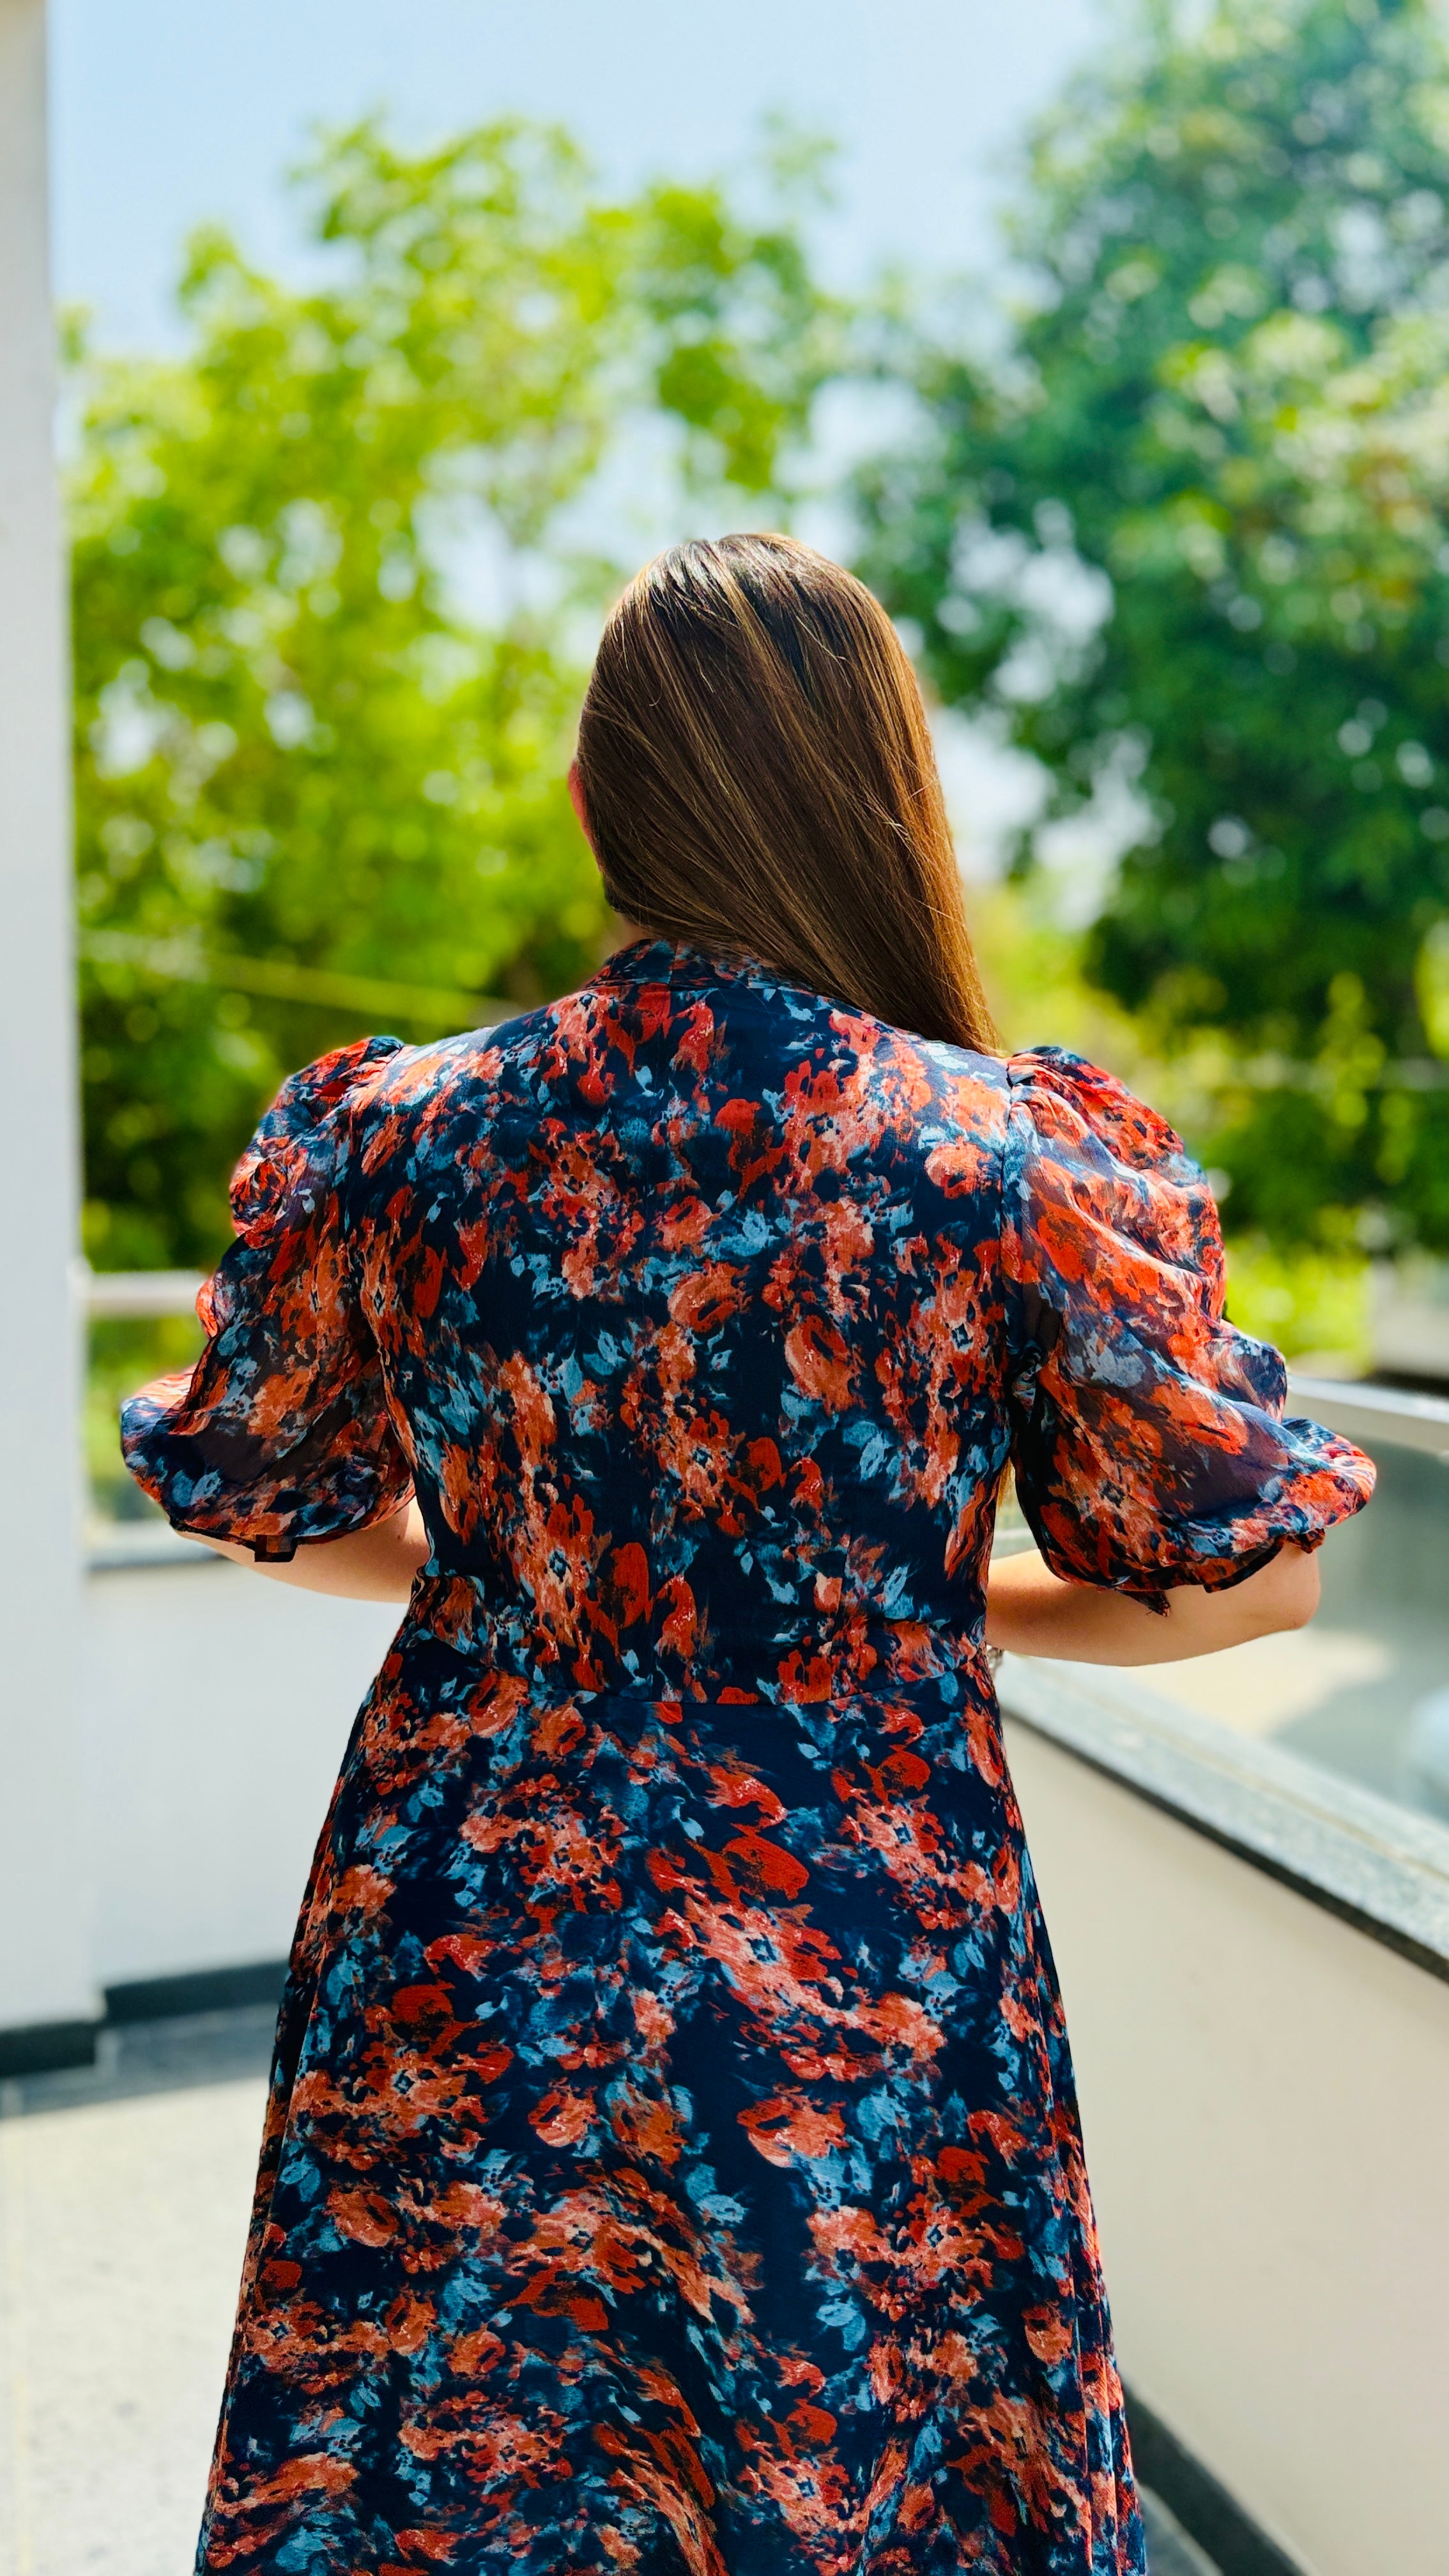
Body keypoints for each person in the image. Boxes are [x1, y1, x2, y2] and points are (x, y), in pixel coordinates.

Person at [122, 535, 1373, 2576]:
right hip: (860, 1967)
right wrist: (857, 1589)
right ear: (876, 787)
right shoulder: (996, 1156)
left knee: (456, 2480)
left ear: (593, 799)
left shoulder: (396, 1140)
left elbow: (276, 1502)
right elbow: (1249, 1574)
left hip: (459, 1943)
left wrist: (521, 1577)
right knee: (856, 2483)